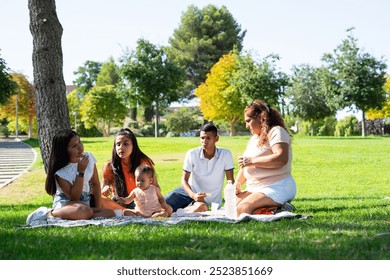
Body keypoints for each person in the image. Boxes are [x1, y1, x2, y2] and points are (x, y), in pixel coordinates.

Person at [27, 129, 115, 222]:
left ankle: (83, 214)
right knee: (84, 210)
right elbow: (74, 197)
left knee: (109, 213)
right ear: (64, 151)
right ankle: (49, 213)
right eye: (74, 146)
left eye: (80, 142)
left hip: (84, 204)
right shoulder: (61, 172)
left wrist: (98, 208)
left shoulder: (88, 157)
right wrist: (80, 172)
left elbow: (96, 184)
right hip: (67, 204)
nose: (80, 147)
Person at [234, 99, 297, 216]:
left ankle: (279, 208)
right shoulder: (254, 139)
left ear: (260, 117)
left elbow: (281, 159)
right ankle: (274, 209)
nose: (246, 126)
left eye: (248, 121)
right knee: (231, 207)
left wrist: (252, 161)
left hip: (276, 186)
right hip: (254, 188)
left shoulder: (277, 131)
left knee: (243, 209)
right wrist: (237, 184)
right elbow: (245, 167)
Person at [165, 123, 235, 212]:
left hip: (206, 200)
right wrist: (193, 195)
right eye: (202, 138)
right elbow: (184, 180)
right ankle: (179, 209)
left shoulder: (225, 154)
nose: (204, 141)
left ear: (216, 139)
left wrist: (232, 200)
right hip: (188, 192)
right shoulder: (192, 153)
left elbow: (231, 181)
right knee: (161, 204)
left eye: (208, 138)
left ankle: (180, 211)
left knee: (200, 207)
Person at [100, 128, 158, 211]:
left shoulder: (143, 162)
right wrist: (105, 189)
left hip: (142, 202)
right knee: (100, 200)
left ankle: (129, 212)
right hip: (119, 202)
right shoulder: (109, 165)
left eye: (126, 144)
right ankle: (126, 211)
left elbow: (155, 186)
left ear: (133, 146)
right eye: (118, 144)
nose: (121, 147)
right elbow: (103, 189)